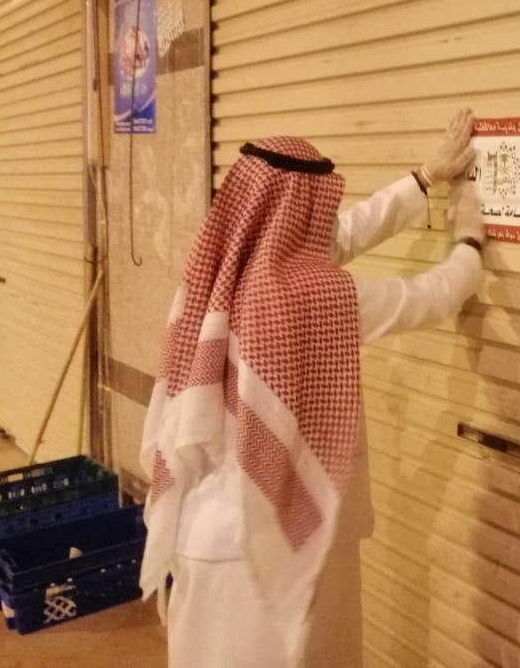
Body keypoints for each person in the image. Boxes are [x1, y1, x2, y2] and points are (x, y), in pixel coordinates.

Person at [138, 110, 485, 668]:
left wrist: (424, 178)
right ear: (303, 208)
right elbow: (432, 297)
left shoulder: (218, 274)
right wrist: (470, 242)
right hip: (274, 545)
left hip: (199, 534)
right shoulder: (314, 297)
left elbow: (333, 238)